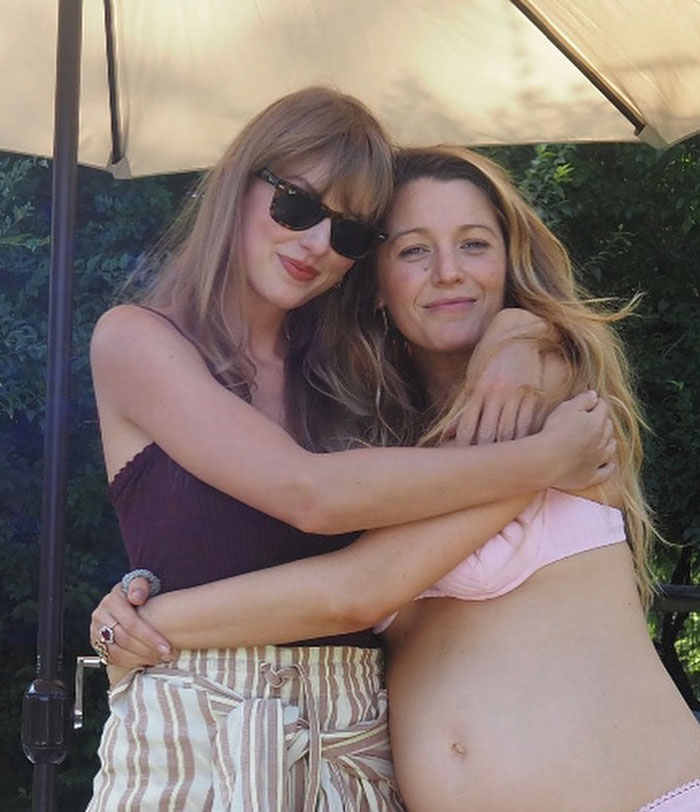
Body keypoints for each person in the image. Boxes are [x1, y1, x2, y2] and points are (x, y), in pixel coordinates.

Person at [94, 145, 700, 812]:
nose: (448, 273)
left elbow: (358, 591)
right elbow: (336, 584)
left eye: (474, 244)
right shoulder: (368, 450)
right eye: (413, 251)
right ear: (375, 285)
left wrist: (519, 335)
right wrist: (127, 617)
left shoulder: (552, 399)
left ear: (506, 263)